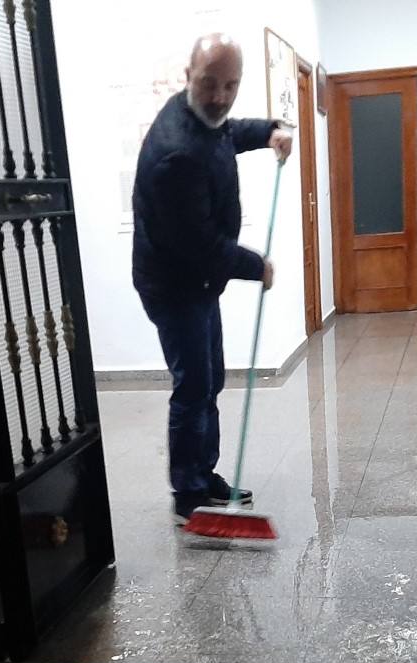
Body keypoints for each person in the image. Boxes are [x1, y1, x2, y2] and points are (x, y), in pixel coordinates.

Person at [132, 33, 293, 525]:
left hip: (198, 283)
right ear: (188, 77)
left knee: (211, 380)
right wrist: (256, 266)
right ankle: (188, 496)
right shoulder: (176, 155)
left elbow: (229, 131)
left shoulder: (202, 118)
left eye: (230, 85)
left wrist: (269, 131)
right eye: (209, 83)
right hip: (174, 285)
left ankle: (204, 474)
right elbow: (201, 247)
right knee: (194, 386)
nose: (220, 96)